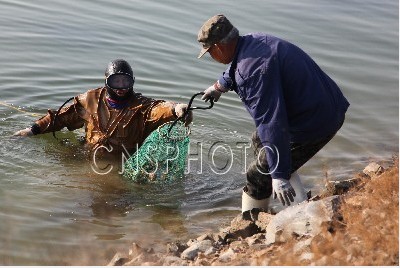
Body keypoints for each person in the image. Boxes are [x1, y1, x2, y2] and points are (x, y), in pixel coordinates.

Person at [196, 14, 349, 215]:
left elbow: (271, 122)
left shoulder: (252, 72)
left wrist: (278, 175)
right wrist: (219, 86)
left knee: (257, 175)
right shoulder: (253, 41)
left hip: (315, 123)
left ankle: (253, 224)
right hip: (327, 105)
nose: (211, 57)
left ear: (218, 47)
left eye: (209, 52)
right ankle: (298, 197)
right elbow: (236, 68)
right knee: (258, 140)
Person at [13, 59, 193, 156]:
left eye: (126, 82)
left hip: (122, 163)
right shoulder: (90, 100)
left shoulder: (141, 107)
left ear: (133, 83)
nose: (121, 88)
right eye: (116, 81)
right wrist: (32, 130)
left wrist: (176, 109)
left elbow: (159, 109)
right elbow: (60, 118)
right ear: (107, 82)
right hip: (87, 156)